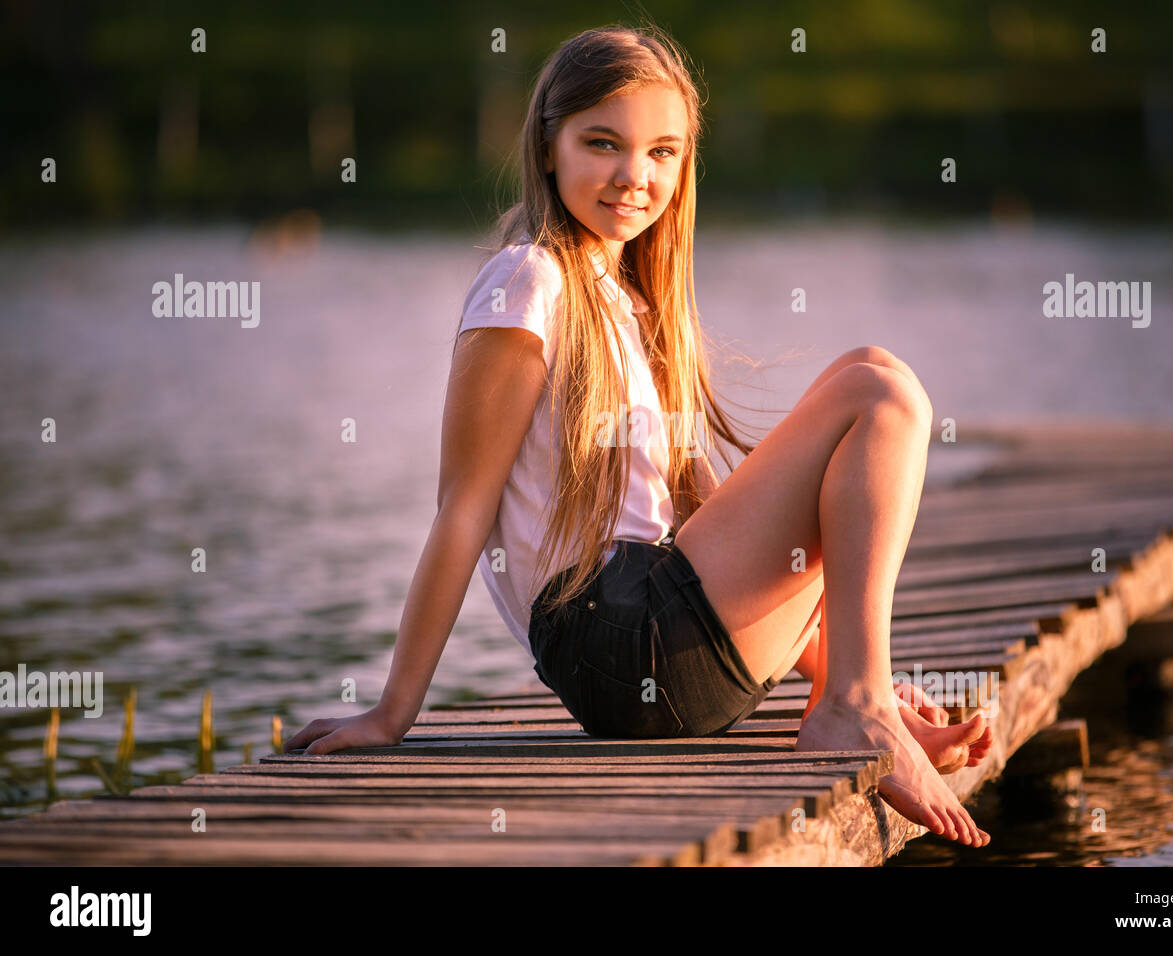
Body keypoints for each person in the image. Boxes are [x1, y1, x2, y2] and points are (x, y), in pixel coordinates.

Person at [286, 24, 992, 847]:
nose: (635, 176)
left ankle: (860, 697)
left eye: (663, 152)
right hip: (619, 642)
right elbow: (463, 507)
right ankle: (857, 708)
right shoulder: (529, 281)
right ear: (549, 147)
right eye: (603, 144)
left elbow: (733, 536)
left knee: (874, 385)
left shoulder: (627, 302)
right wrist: (392, 712)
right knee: (876, 392)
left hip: (654, 644)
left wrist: (844, 670)